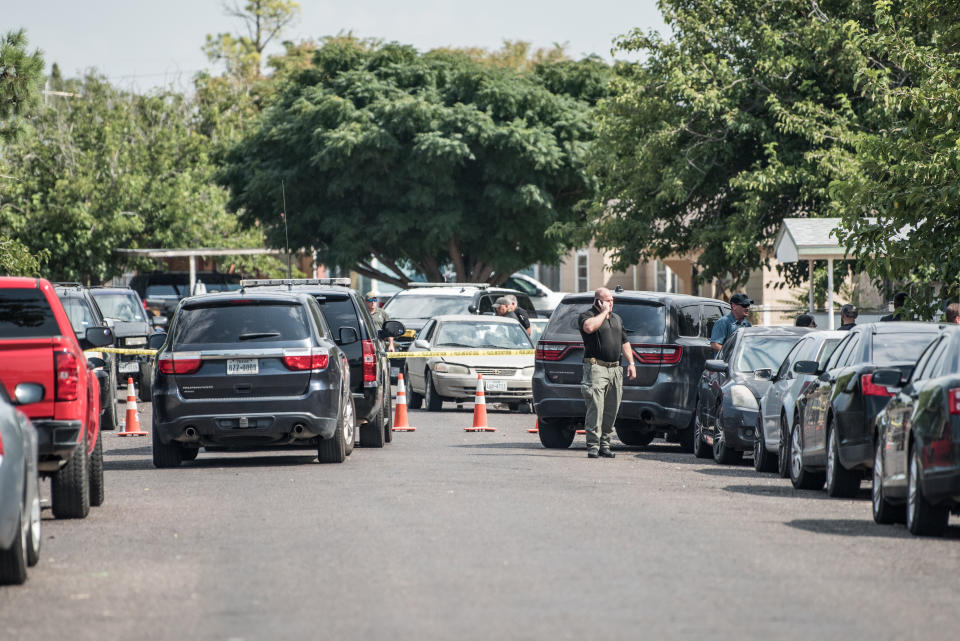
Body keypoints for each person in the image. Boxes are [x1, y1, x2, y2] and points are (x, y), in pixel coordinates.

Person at [578, 287, 637, 459]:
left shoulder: (617, 319)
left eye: (612, 300)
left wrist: (631, 363)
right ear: (598, 301)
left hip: (615, 368)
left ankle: (605, 444)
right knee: (596, 407)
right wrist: (603, 312)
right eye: (607, 300)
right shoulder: (587, 316)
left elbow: (624, 342)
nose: (611, 303)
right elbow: (589, 328)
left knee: (611, 409)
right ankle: (593, 446)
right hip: (596, 367)